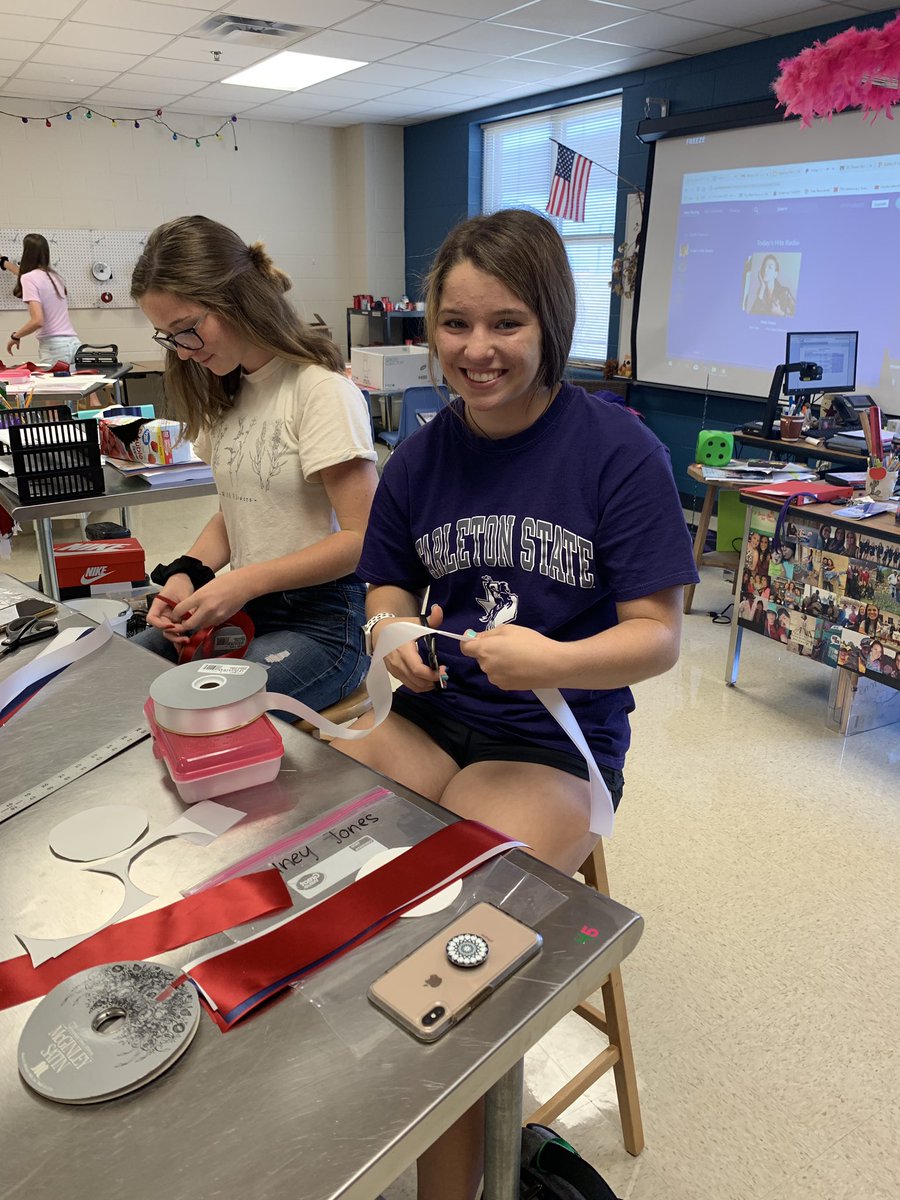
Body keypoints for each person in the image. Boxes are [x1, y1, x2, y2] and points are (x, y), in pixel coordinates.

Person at [335, 208, 698, 1200]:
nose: (477, 349)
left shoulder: (618, 452)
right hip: (429, 721)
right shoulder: (420, 455)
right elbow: (385, 586)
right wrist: (393, 637)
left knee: (451, 959)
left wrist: (556, 659)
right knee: (314, 861)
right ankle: (342, 1100)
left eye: (506, 324)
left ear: (550, 323)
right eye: (456, 324)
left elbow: (657, 636)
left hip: (550, 746)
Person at [129, 215, 378, 713]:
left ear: (237, 298)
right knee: (123, 675)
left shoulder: (320, 392)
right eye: (169, 337)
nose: (183, 352)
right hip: (248, 604)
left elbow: (362, 538)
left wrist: (243, 581)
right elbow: (238, 510)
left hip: (323, 623)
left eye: (186, 330)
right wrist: (188, 574)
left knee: (195, 711)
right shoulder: (229, 391)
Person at [1, 234, 82, 363]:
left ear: (26, 254)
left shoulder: (28, 278)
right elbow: (24, 274)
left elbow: (38, 321)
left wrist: (15, 336)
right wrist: (4, 262)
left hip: (55, 348)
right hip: (74, 345)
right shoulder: (55, 277)